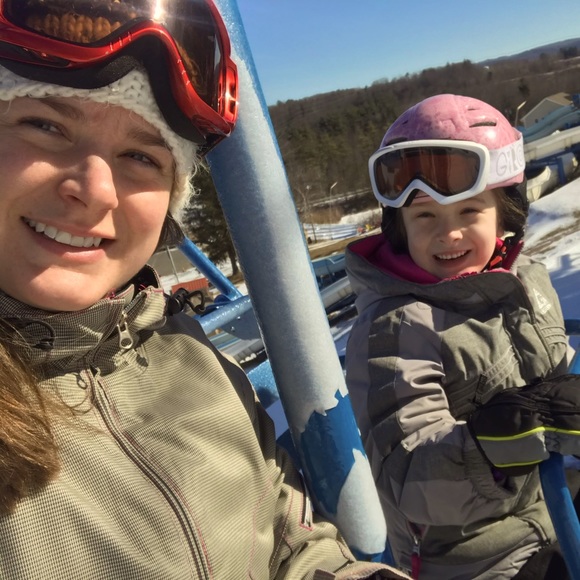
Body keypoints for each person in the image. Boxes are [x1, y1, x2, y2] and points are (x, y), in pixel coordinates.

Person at [0, 1, 411, 578]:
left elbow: (288, 543)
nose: (95, 190)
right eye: (45, 125)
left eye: (140, 156)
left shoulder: (189, 356)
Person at [345, 93, 580, 579]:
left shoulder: (526, 281)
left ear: (504, 215)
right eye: (425, 216)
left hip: (553, 500)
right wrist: (502, 438)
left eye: (469, 211)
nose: (448, 234)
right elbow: (407, 474)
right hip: (476, 554)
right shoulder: (396, 328)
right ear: (399, 227)